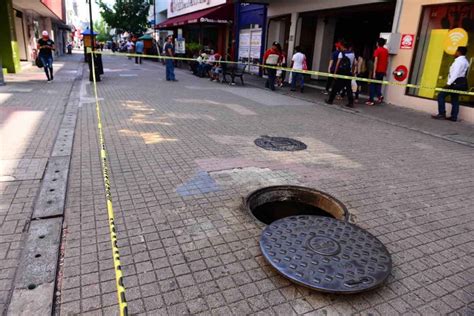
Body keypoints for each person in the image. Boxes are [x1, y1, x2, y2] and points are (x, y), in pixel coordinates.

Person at [432, 46, 469, 122]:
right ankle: (454, 117)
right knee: (455, 99)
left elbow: (455, 74)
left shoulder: (459, 62)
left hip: (453, 83)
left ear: (459, 52)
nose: (455, 52)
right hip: (459, 83)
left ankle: (442, 114)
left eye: (456, 51)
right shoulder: (465, 61)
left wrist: (448, 84)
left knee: (441, 96)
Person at [325, 41, 355, 107]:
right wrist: (352, 72)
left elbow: (337, 64)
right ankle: (351, 102)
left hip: (341, 72)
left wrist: (335, 73)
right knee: (348, 88)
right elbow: (353, 64)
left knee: (335, 87)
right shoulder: (353, 54)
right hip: (348, 72)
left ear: (344, 47)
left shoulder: (341, 53)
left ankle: (330, 100)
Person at [366, 38, 389, 105]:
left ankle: (371, 100)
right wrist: (385, 70)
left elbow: (375, 62)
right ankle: (380, 96)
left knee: (372, 85)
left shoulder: (377, 50)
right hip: (382, 71)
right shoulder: (386, 51)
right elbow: (387, 62)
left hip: (377, 70)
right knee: (378, 85)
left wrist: (374, 72)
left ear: (378, 43)